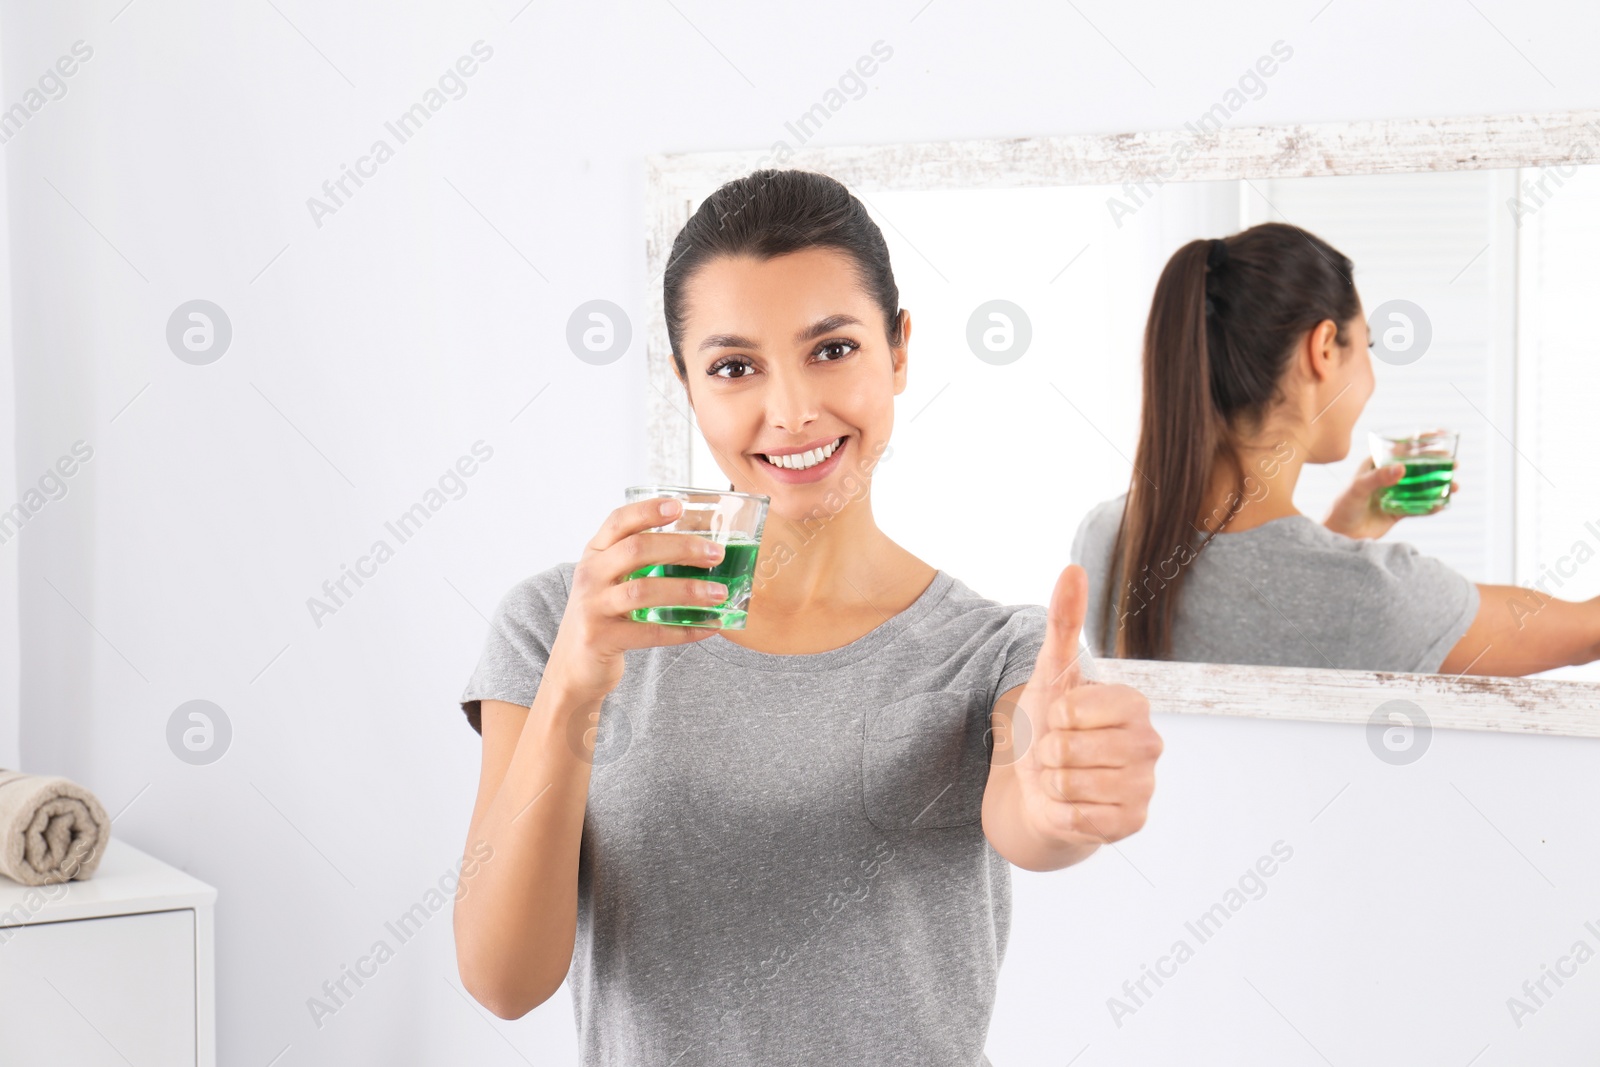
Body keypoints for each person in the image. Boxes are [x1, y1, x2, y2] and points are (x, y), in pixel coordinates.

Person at [451, 169, 1162, 1064]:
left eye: (832, 349)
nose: (790, 411)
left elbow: (1029, 816)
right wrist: (571, 690)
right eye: (735, 366)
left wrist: (1066, 794)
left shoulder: (994, 649)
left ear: (899, 351)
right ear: (685, 382)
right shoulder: (557, 622)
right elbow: (501, 978)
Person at [1071, 222, 1600, 674]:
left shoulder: (1106, 539)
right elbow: (1588, 632)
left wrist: (1343, 533)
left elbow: (1263, 600)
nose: (1371, 377)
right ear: (1323, 348)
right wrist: (1340, 553)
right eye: (1365, 346)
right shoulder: (1372, 594)